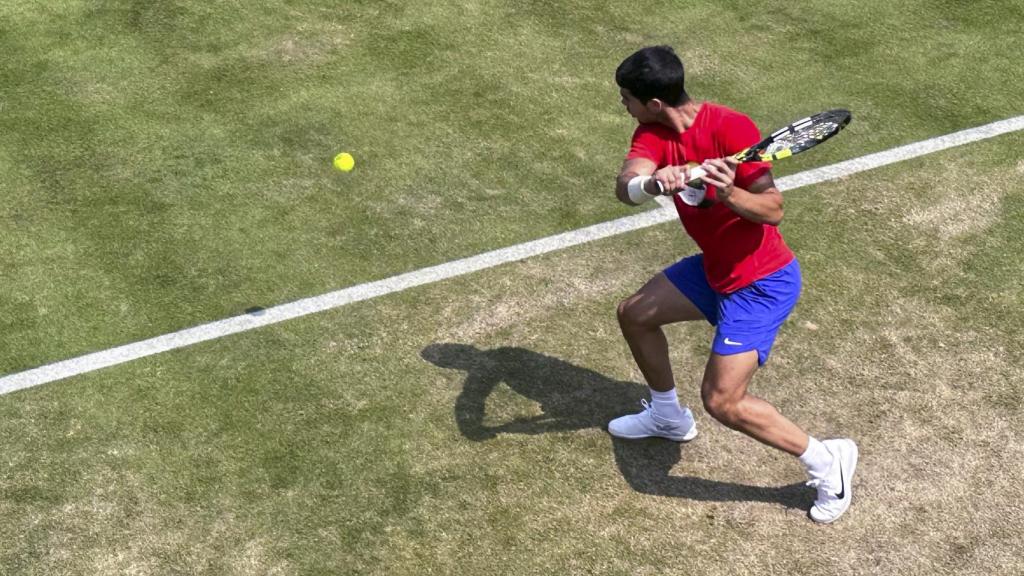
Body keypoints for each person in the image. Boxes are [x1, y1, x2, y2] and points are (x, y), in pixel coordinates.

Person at [608, 45, 857, 523]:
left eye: (627, 98)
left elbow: (773, 210)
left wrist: (726, 191)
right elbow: (626, 187)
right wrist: (656, 183)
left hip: (761, 282)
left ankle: (829, 463)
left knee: (723, 401)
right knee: (635, 312)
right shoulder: (652, 134)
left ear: (654, 103)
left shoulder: (731, 128)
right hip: (715, 269)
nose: (624, 106)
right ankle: (666, 416)